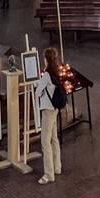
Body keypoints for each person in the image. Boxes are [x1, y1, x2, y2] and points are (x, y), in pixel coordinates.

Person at [36, 47, 64, 185]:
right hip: (54, 109)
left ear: (46, 59)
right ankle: (57, 167)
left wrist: (38, 86)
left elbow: (38, 91)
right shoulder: (56, 71)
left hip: (47, 110)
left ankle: (49, 174)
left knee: (45, 142)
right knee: (54, 139)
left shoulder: (47, 74)